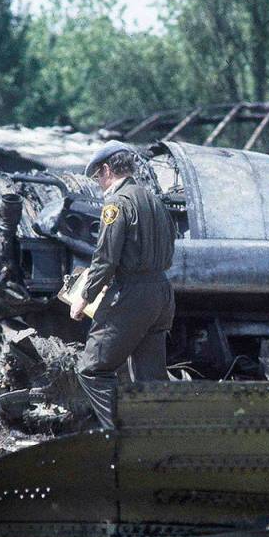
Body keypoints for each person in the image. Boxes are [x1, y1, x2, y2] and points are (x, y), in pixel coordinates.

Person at [72, 140, 176, 429]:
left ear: (107, 170)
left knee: (92, 370)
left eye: (98, 176)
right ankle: (160, 438)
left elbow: (105, 258)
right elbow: (171, 247)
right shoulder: (154, 200)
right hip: (161, 293)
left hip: (132, 295)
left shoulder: (116, 203)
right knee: (150, 378)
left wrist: (84, 296)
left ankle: (120, 437)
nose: (99, 183)